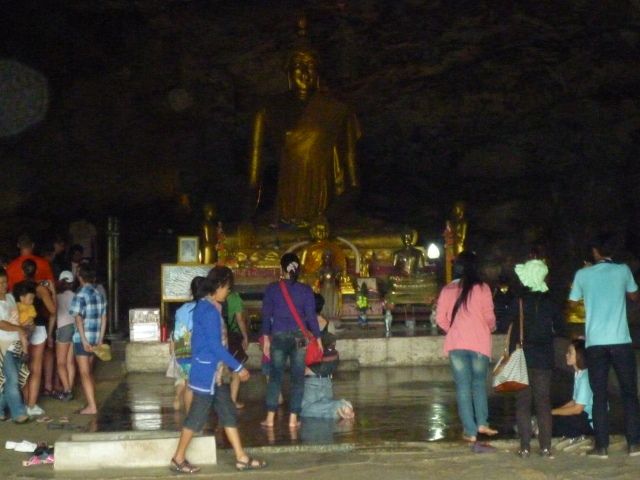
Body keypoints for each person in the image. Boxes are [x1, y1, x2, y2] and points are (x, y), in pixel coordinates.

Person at [247, 20, 360, 226]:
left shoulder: (337, 111)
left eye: (311, 66)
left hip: (326, 214)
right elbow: (254, 180)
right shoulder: (268, 110)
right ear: (289, 71)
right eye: (299, 65)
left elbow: (353, 183)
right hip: (284, 211)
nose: (305, 72)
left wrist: (327, 218)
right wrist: (248, 217)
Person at [170, 267, 266, 473]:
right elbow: (215, 346)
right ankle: (178, 458)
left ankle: (241, 457)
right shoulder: (209, 311)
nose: (228, 292)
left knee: (228, 413)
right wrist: (238, 367)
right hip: (207, 374)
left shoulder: (208, 307)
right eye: (227, 288)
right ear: (219, 285)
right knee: (196, 418)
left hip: (216, 375)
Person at [568, 233, 640, 458]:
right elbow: (634, 296)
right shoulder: (623, 270)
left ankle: (602, 446)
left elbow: (572, 303)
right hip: (621, 341)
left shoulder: (583, 274)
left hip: (596, 343)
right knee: (629, 393)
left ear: (595, 251)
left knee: (599, 395)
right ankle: (634, 444)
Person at [435, 251, 497, 444]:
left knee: (463, 387)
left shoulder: (447, 290)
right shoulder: (483, 288)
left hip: (457, 344)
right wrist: (489, 328)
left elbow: (440, 319)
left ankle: (470, 431)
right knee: (479, 384)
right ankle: (482, 423)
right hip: (479, 344)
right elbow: (489, 317)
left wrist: (453, 330)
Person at [509, 259, 564, 458]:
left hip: (523, 356)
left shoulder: (519, 301)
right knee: (543, 403)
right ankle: (545, 447)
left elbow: (509, 325)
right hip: (544, 358)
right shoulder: (551, 301)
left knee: (523, 403)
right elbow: (561, 328)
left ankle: (525, 447)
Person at [261, 253, 321, 429]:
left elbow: (266, 315)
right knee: (298, 377)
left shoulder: (272, 289)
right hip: (300, 338)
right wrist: (318, 338)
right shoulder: (305, 290)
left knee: (275, 377)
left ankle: (270, 419)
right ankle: (293, 419)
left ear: (282, 268)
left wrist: (266, 338)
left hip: (278, 336)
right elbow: (311, 317)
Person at [19, 259, 56, 417]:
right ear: (36, 271)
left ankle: (24, 402)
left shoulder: (17, 288)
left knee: (24, 368)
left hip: (22, 329)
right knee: (36, 368)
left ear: (22, 271)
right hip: (39, 328)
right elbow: (53, 310)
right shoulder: (40, 289)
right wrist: (52, 292)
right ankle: (31, 405)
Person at [69, 263, 107, 415]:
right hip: (95, 338)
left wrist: (84, 341)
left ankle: (92, 406)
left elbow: (78, 319)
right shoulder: (99, 294)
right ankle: (91, 402)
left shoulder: (79, 295)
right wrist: (100, 339)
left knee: (84, 373)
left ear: (80, 277)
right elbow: (104, 318)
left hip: (82, 339)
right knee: (89, 372)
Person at [301, 328, 353, 420]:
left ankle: (339, 405)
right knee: (325, 410)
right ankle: (340, 408)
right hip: (327, 381)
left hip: (312, 381)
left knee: (305, 410)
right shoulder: (333, 351)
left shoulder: (313, 343)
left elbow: (306, 367)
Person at [170, 276, 205, 413]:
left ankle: (188, 412)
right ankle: (190, 415)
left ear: (192, 290)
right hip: (196, 352)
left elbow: (176, 331)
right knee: (192, 386)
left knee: (186, 381)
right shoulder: (204, 309)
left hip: (181, 352)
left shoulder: (181, 309)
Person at [0, 268, 29, 423]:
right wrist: (19, 329)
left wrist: (24, 329)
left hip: (16, 342)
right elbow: (1, 324)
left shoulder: (10, 297)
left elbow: (16, 319)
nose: (4, 285)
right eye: (0, 283)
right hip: (3, 344)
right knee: (13, 378)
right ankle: (18, 413)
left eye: (5, 282)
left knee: (10, 379)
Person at [552, 339, 594, 439]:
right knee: (556, 414)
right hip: (584, 415)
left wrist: (553, 413)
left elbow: (578, 409)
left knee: (559, 421)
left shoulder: (585, 377)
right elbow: (574, 401)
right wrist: (554, 411)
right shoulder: (579, 374)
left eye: (570, 352)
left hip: (590, 420)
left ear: (579, 356)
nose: (566, 355)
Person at [222, 274, 250, 409]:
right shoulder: (234, 298)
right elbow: (239, 320)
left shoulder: (213, 298)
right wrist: (245, 336)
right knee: (236, 368)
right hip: (233, 336)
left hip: (220, 336)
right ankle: (232, 400)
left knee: (219, 369)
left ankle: (217, 401)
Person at [55, 271, 76, 401]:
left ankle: (67, 390)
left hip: (63, 328)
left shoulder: (57, 297)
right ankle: (70, 389)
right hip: (75, 327)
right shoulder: (75, 296)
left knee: (60, 362)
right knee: (70, 362)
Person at [10, 281, 37, 359]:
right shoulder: (16, 305)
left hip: (27, 327)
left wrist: (21, 326)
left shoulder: (31, 307)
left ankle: (25, 353)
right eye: (30, 298)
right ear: (22, 298)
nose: (32, 301)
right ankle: (21, 350)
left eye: (33, 299)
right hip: (20, 327)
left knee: (23, 337)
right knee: (20, 338)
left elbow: (30, 319)